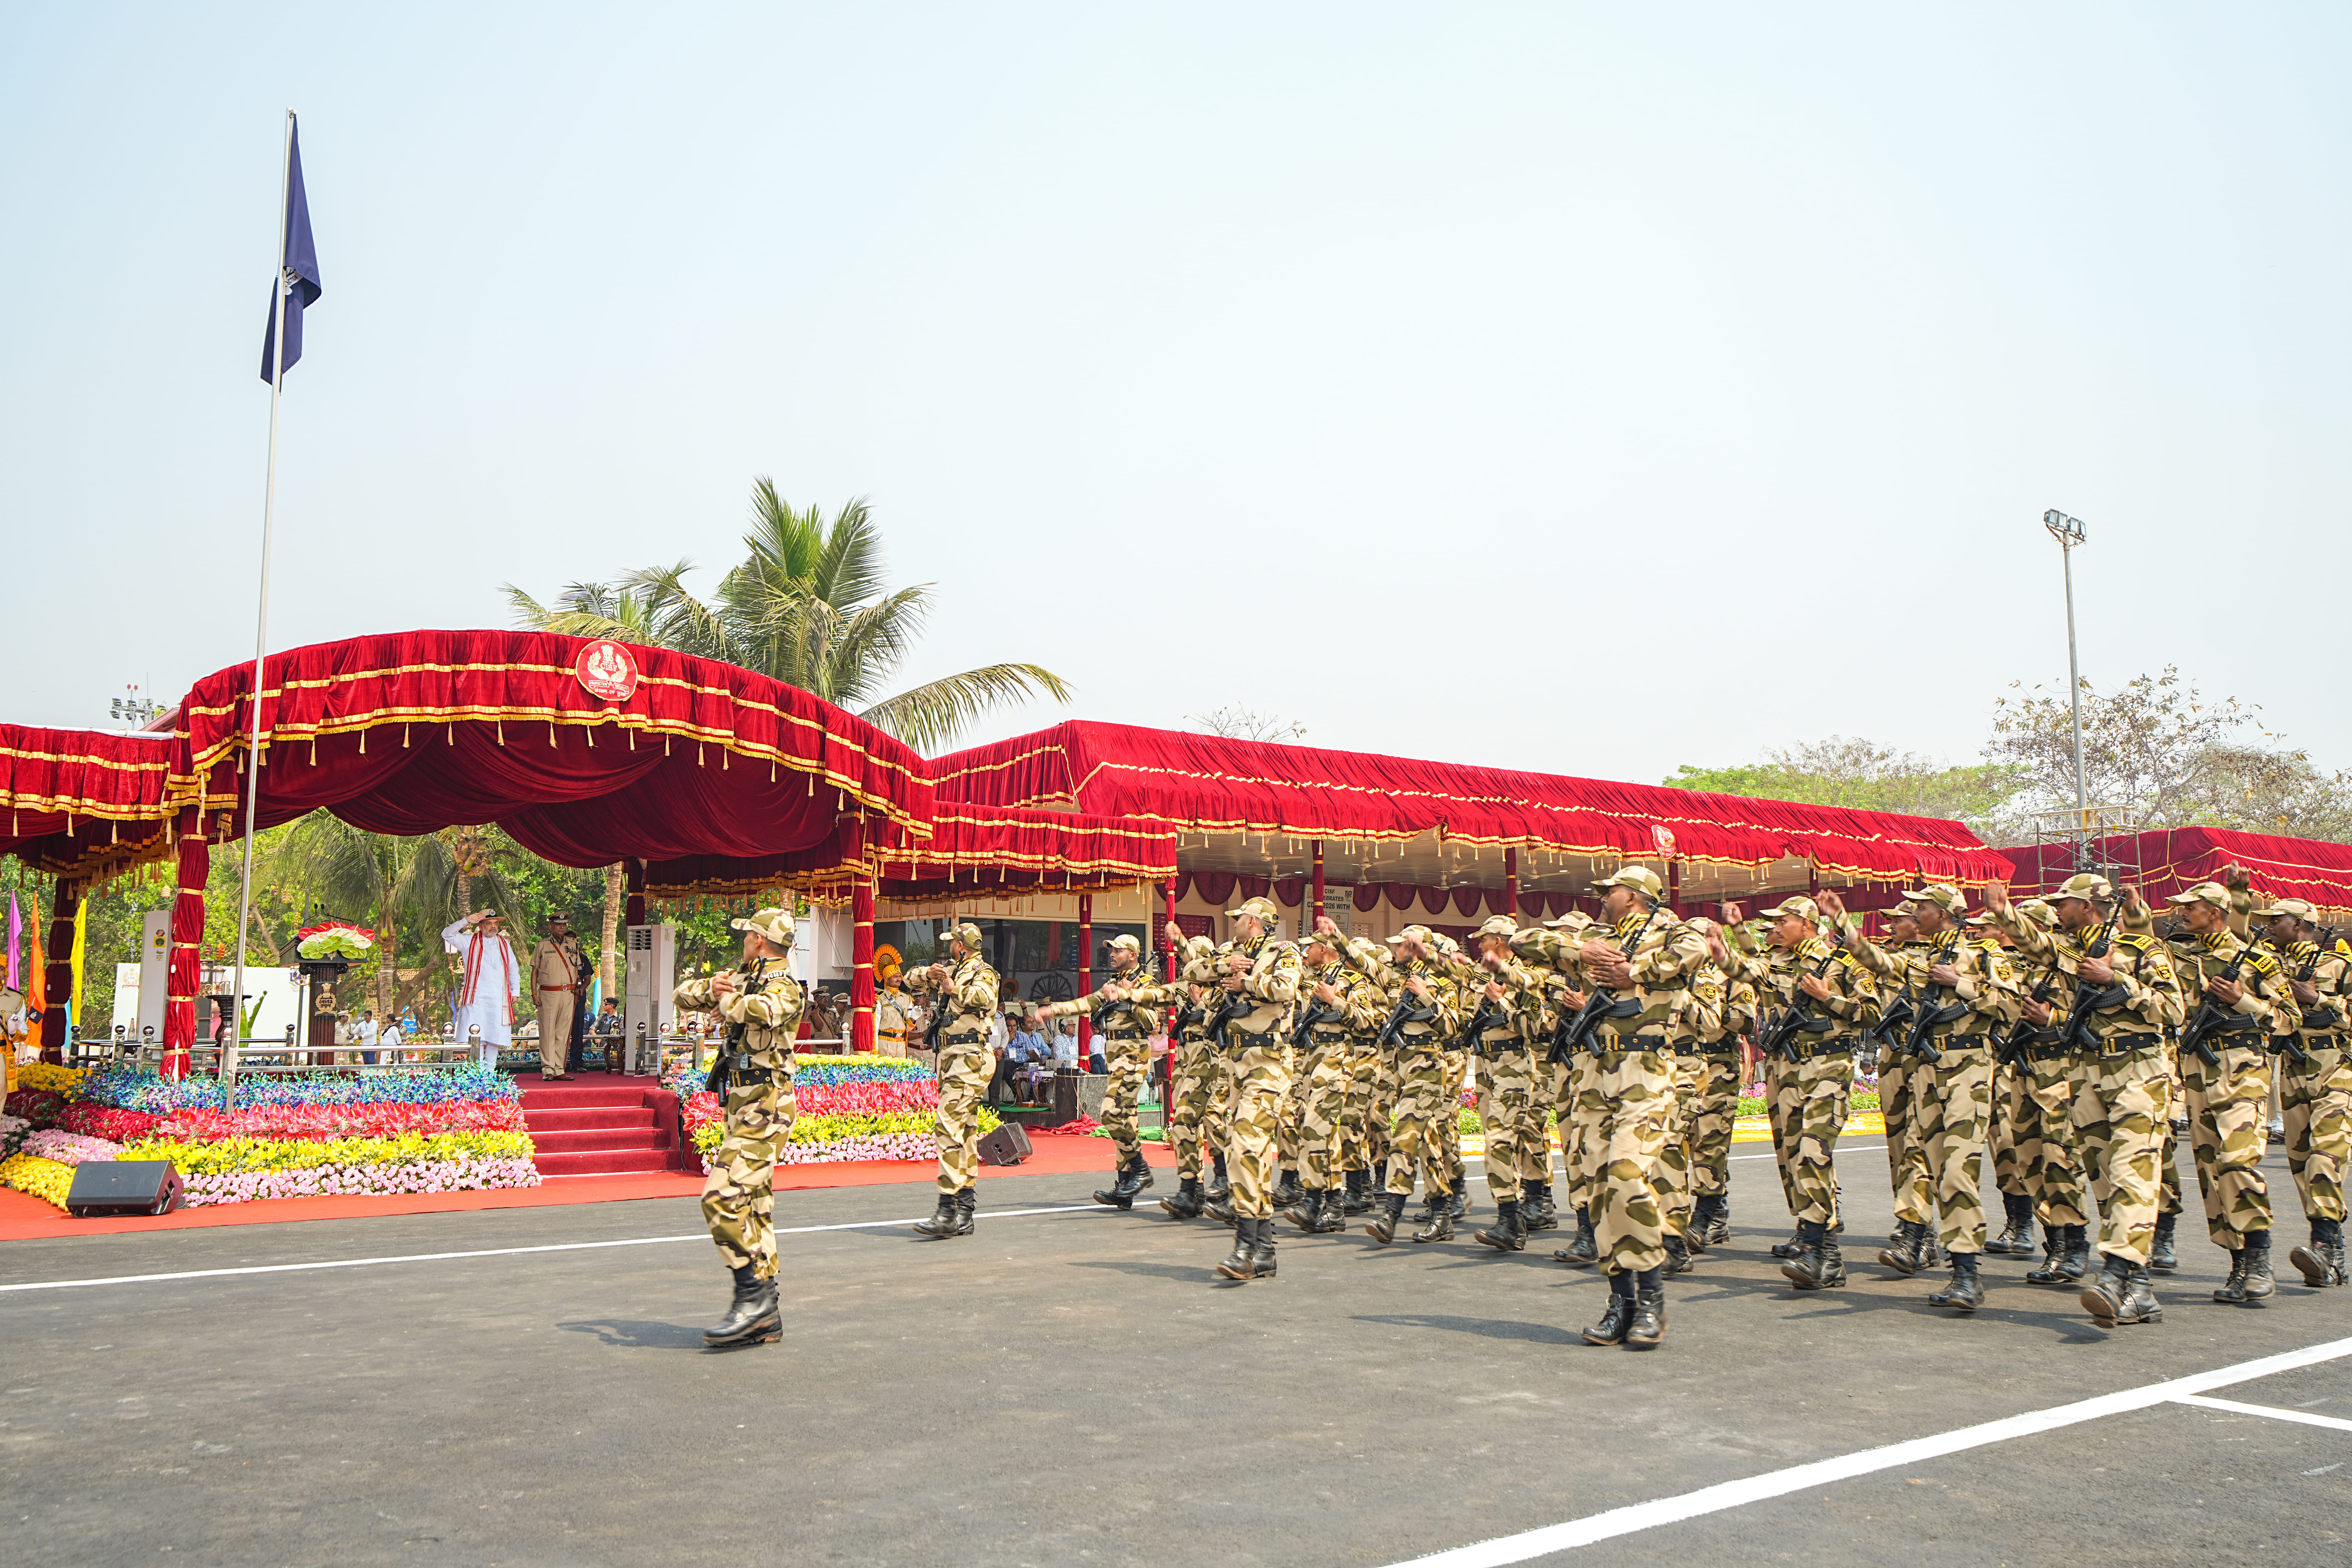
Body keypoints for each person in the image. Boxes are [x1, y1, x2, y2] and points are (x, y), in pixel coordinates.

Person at [1986, 872, 2186, 1326]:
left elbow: (2174, 1010)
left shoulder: (2142, 949)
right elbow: (2037, 945)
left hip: (2138, 1072)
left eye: (2066, 902)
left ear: (2090, 905)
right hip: (2088, 1074)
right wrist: (2004, 913)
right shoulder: (2071, 951)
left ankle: (2115, 1276)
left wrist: (2116, 979)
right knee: (2105, 1180)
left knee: (2131, 1175)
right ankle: (2139, 1289)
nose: (2059, 909)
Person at [1824, 885, 2017, 1312]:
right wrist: (1841, 921)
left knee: (1958, 1170)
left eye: (1923, 907)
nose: (1915, 913)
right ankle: (1932, 1249)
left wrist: (1960, 983)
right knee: (1928, 1164)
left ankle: (1967, 1275)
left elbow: (2010, 1006)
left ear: (1944, 914)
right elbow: (1879, 960)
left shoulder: (1984, 954)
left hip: (1968, 1068)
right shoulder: (1920, 958)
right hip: (1926, 1071)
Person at [1718, 893, 1876, 1294]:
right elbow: (1745, 966)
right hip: (1787, 1069)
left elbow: (1874, 1013)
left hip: (1829, 1066)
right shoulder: (1777, 962)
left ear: (1806, 924)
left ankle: (1817, 1249)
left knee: (1812, 1151)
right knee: (1793, 1157)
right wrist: (1725, 945)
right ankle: (1823, 1250)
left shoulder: (1843, 963)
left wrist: (1827, 998)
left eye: (1782, 921)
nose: (1775, 928)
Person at [673, 906, 805, 1349]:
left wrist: (726, 1000)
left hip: (767, 1104)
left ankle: (751, 1296)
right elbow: (682, 995)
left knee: (721, 1196)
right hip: (742, 1102)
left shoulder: (785, 986)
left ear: (760, 940)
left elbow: (759, 1010)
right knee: (753, 1205)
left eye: (748, 934)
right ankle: (765, 1313)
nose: (743, 940)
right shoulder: (744, 976)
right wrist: (709, 987)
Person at [2162, 875, 2295, 1306]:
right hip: (2197, 1072)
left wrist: (2242, 1000)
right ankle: (2238, 1261)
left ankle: (2259, 1258)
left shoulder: (2257, 959)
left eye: (2192, 906)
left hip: (2242, 1070)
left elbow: (2290, 1018)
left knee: (2237, 1161)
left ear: (2215, 913)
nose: (2184, 912)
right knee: (2211, 1171)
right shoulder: (2182, 957)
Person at [2256, 895, 2352, 1286]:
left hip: (2337, 1069)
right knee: (2300, 1164)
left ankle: (2324, 1246)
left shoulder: (2339, 965)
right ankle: (2331, 1252)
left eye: (2276, 920)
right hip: (2294, 1070)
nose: (2268, 926)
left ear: (2298, 925)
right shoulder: (2268, 965)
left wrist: (2318, 999)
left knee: (2324, 1157)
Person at [1346, 923, 1461, 1247]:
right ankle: (1442, 1217)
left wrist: (1424, 994)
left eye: (1400, 945)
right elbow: (1364, 963)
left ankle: (1391, 1216)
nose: (1394, 949)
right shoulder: (1396, 978)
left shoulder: (1442, 981)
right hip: (1400, 1066)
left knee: (1406, 1137)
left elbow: (1452, 1026)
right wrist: (1335, 938)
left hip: (1428, 1065)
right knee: (1427, 1143)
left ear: (1417, 949)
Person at [1039, 933, 1164, 1209]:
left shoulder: (1146, 984)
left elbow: (1151, 1023)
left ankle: (1141, 1171)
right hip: (1115, 1055)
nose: (1112, 954)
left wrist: (1128, 995)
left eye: (1118, 951)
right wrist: (1053, 1011)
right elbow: (1086, 1003)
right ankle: (1125, 1189)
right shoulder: (1112, 984)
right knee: (1126, 1122)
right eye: (1112, 950)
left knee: (1110, 1112)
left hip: (1133, 1053)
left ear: (1133, 955)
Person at [1279, 920, 1381, 1234]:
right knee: (1320, 1133)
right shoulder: (1314, 979)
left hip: (1337, 1060)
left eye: (1310, 946)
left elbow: (1370, 1023)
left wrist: (1335, 1001)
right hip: (1312, 1060)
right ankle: (1329, 1205)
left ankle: (1318, 1203)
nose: (1306, 952)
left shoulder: (1352, 980)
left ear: (1324, 949)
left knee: (1316, 1128)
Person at [907, 922, 1000, 1240]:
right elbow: (908, 980)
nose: (949, 947)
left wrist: (952, 989)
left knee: (947, 1126)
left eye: (952, 943)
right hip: (951, 1057)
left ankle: (947, 1210)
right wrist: (928, 974)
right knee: (966, 1132)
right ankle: (964, 1213)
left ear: (962, 946)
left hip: (970, 1056)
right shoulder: (951, 970)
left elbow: (983, 997)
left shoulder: (983, 972)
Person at [443, 911, 520, 1068]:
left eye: (496, 923)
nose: (493, 927)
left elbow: (513, 968)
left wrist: (516, 991)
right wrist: (466, 920)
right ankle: (477, 1071)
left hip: (500, 997)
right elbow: (447, 934)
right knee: (476, 1035)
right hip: (476, 998)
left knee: (495, 1035)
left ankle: (490, 1071)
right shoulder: (468, 941)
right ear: (480, 925)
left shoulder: (505, 944)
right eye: (489, 923)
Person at [531, 913, 584, 1081]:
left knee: (563, 1033)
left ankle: (559, 1069)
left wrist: (578, 986)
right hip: (548, 993)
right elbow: (535, 971)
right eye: (559, 924)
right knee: (547, 1032)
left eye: (564, 924)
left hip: (568, 994)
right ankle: (548, 1069)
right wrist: (534, 994)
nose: (562, 927)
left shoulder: (574, 944)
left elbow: (577, 969)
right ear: (551, 926)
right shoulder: (542, 945)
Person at [874, 972, 917, 1057]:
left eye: (900, 977)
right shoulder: (880, 998)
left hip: (902, 1044)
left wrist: (914, 1017)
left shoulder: (907, 998)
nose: (899, 979)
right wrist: (875, 1050)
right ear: (887, 979)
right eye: (896, 977)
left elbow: (908, 1029)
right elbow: (875, 1027)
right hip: (885, 1044)